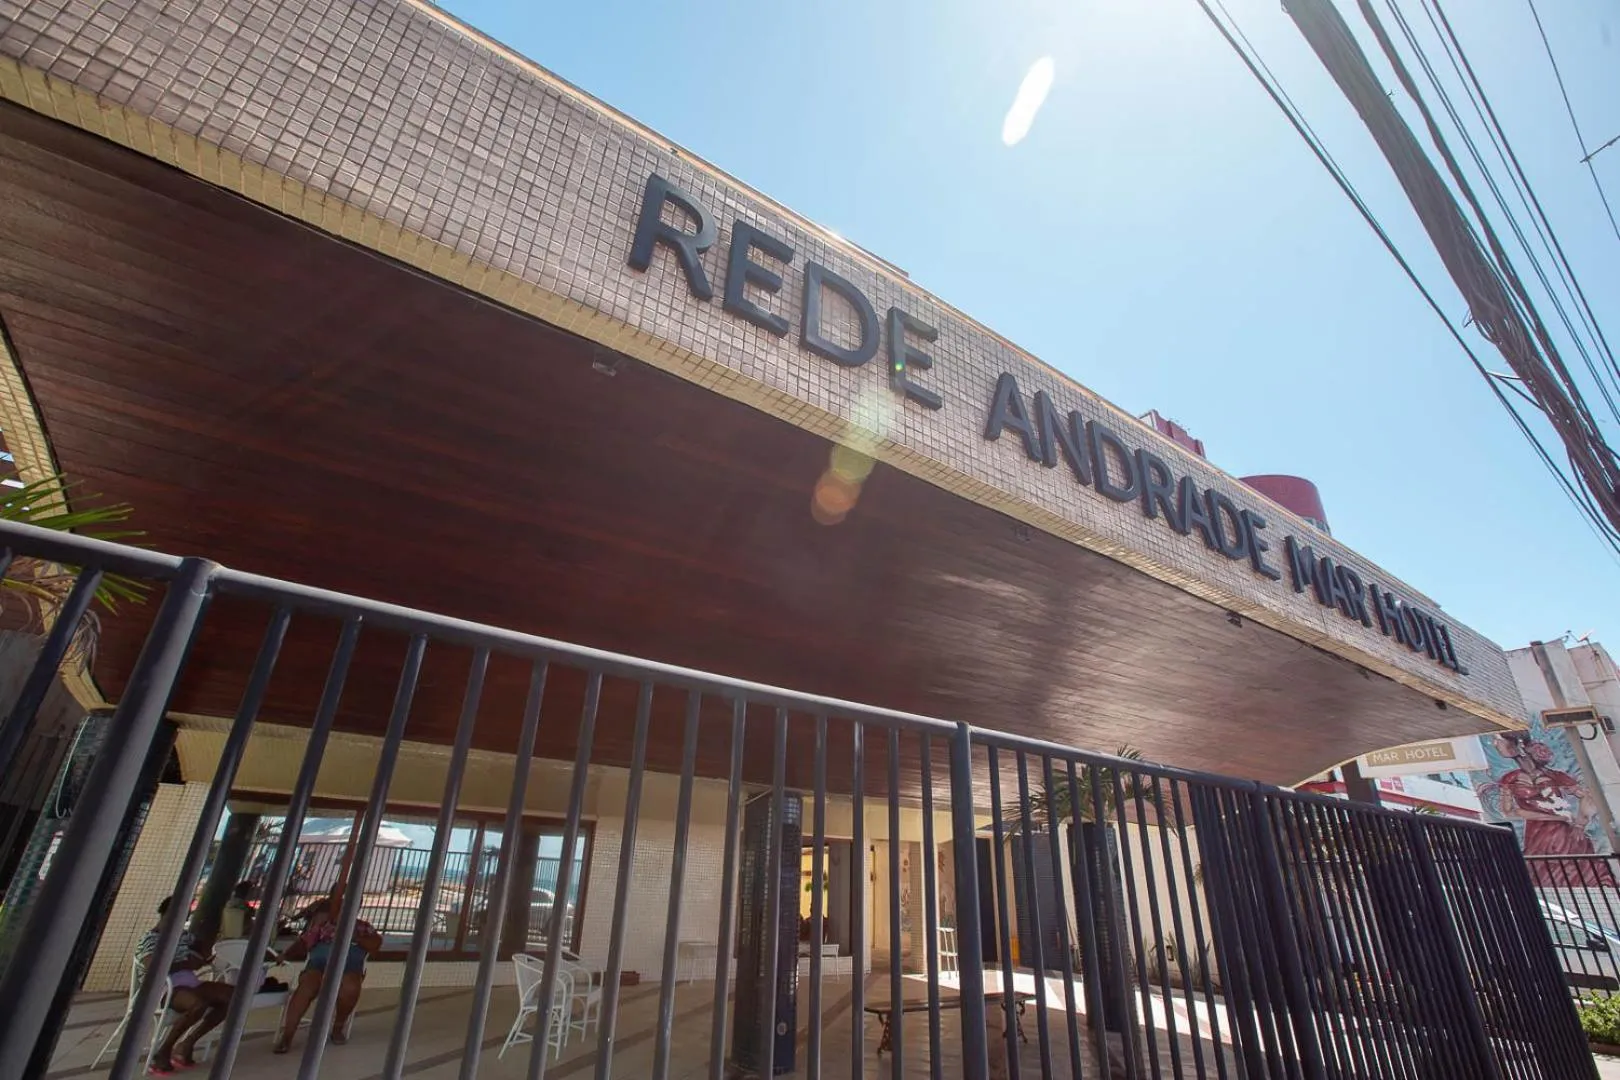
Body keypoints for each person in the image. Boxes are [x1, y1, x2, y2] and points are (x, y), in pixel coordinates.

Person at [135, 898, 235, 1074]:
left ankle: (187, 1043)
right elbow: (153, 968)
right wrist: (186, 964)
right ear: (166, 913)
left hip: (189, 983)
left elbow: (199, 946)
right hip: (163, 988)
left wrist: (201, 955)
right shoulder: (150, 939)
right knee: (198, 1004)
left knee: (233, 996)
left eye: (186, 915)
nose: (184, 919)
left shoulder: (182, 935)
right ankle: (164, 1051)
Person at [270, 897, 382, 1054]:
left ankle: (338, 1027)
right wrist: (285, 955)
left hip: (348, 968)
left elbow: (375, 945)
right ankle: (287, 1036)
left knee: (350, 986)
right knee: (307, 986)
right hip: (318, 966)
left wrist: (354, 936)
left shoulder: (363, 927)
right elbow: (302, 944)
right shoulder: (323, 926)